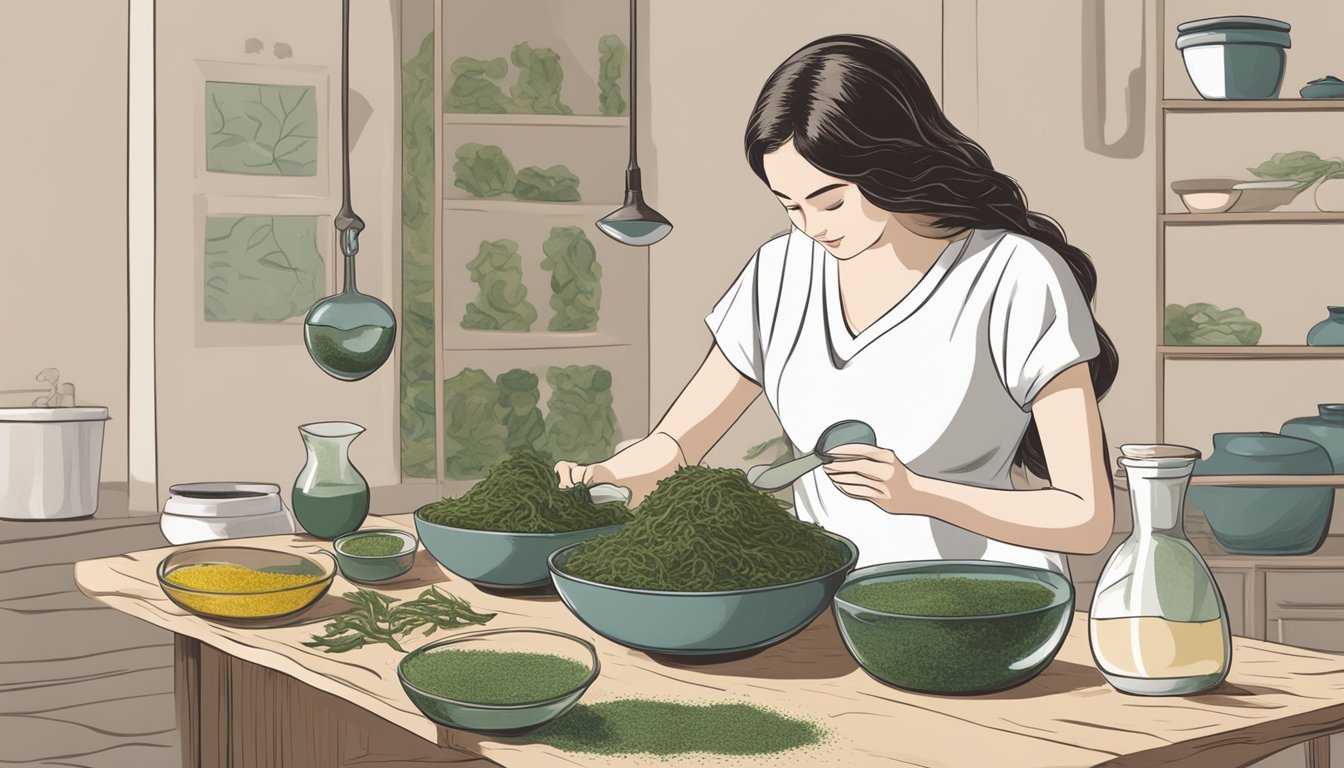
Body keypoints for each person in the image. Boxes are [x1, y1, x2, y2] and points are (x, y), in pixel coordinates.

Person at [555, 34, 1119, 573]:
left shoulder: (1012, 275)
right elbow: (677, 444)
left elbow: (1085, 516)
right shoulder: (781, 273)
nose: (813, 228)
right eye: (790, 206)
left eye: (831, 202)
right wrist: (607, 474)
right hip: (835, 602)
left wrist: (919, 494)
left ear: (889, 165)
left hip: (989, 602)